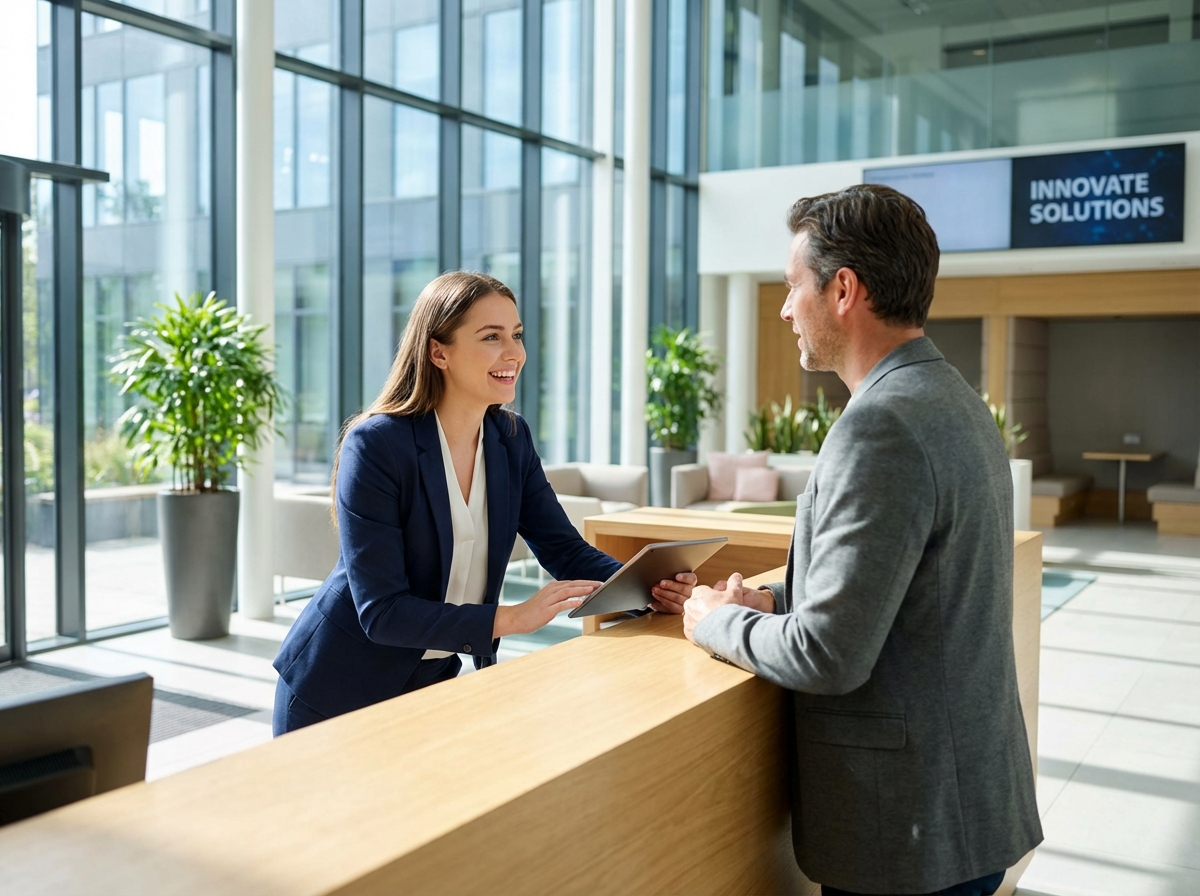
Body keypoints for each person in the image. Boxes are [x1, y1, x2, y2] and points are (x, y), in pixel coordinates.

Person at [676, 185, 1043, 895]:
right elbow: (913, 586)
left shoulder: (880, 426)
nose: (785, 310)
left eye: (793, 287)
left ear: (843, 289)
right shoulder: (952, 399)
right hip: (960, 806)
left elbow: (829, 656)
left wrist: (715, 621)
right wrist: (775, 601)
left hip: (906, 829)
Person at [272, 271, 695, 735]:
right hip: (336, 689)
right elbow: (382, 611)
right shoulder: (377, 445)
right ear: (439, 352)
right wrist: (512, 618)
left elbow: (564, 550)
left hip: (433, 683)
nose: (514, 353)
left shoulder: (510, 439)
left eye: (516, 335)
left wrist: (650, 591)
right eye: (492, 337)